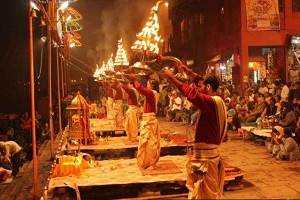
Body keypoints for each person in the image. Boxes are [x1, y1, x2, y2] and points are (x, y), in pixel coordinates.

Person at [159, 66, 227, 199]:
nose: (197, 87)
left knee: (207, 194)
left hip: (207, 158)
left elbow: (192, 94)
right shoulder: (213, 100)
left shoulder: (212, 102)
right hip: (203, 155)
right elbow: (199, 82)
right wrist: (187, 71)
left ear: (208, 87)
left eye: (200, 86)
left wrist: (172, 78)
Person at [125, 74, 160, 170]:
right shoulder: (153, 92)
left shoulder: (151, 93)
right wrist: (146, 76)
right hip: (148, 119)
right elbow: (144, 87)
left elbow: (140, 88)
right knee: (147, 143)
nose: (147, 85)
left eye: (148, 84)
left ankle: (151, 162)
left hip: (150, 121)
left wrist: (134, 79)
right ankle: (147, 161)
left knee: (150, 143)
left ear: (152, 86)